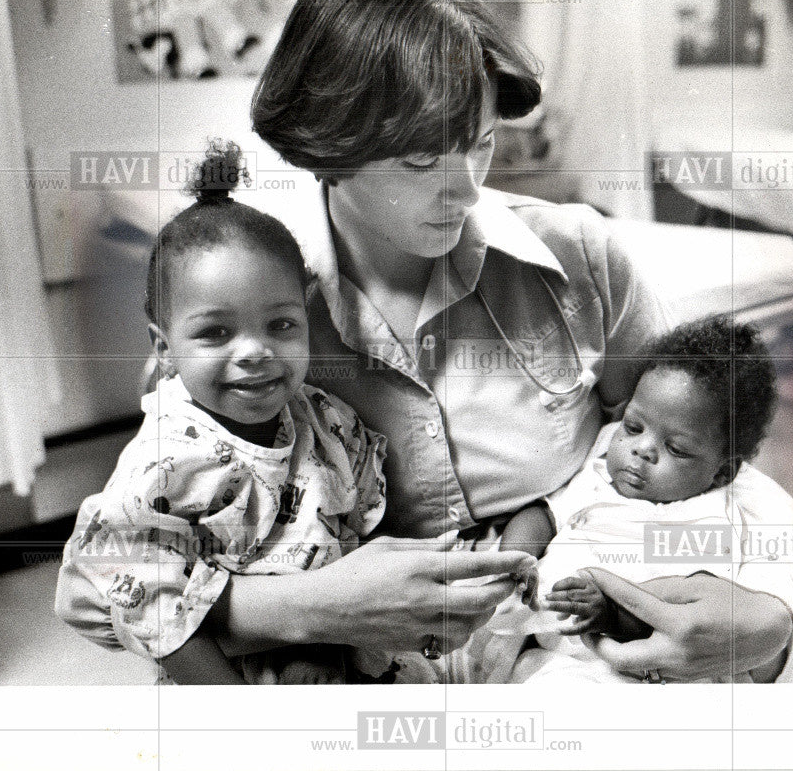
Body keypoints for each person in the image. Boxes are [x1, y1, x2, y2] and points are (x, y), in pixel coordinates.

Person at [58, 0, 793, 682]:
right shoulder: (245, 325)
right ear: (328, 151)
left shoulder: (581, 258)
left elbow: (702, 444)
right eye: (422, 159)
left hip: (561, 655)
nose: (468, 187)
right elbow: (107, 587)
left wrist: (775, 612)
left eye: (480, 142)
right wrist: (311, 604)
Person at [55, 141, 535, 684]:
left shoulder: (329, 422)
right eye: (216, 332)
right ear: (163, 347)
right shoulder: (165, 462)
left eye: (281, 325)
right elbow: (150, 608)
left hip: (345, 651)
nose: (255, 351)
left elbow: (359, 548)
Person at [488, 317, 793, 683]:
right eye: (633, 427)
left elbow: (686, 613)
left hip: (634, 666)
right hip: (547, 641)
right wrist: (513, 560)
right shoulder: (598, 476)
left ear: (722, 473)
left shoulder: (709, 517)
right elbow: (542, 516)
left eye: (676, 448)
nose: (642, 449)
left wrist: (609, 613)